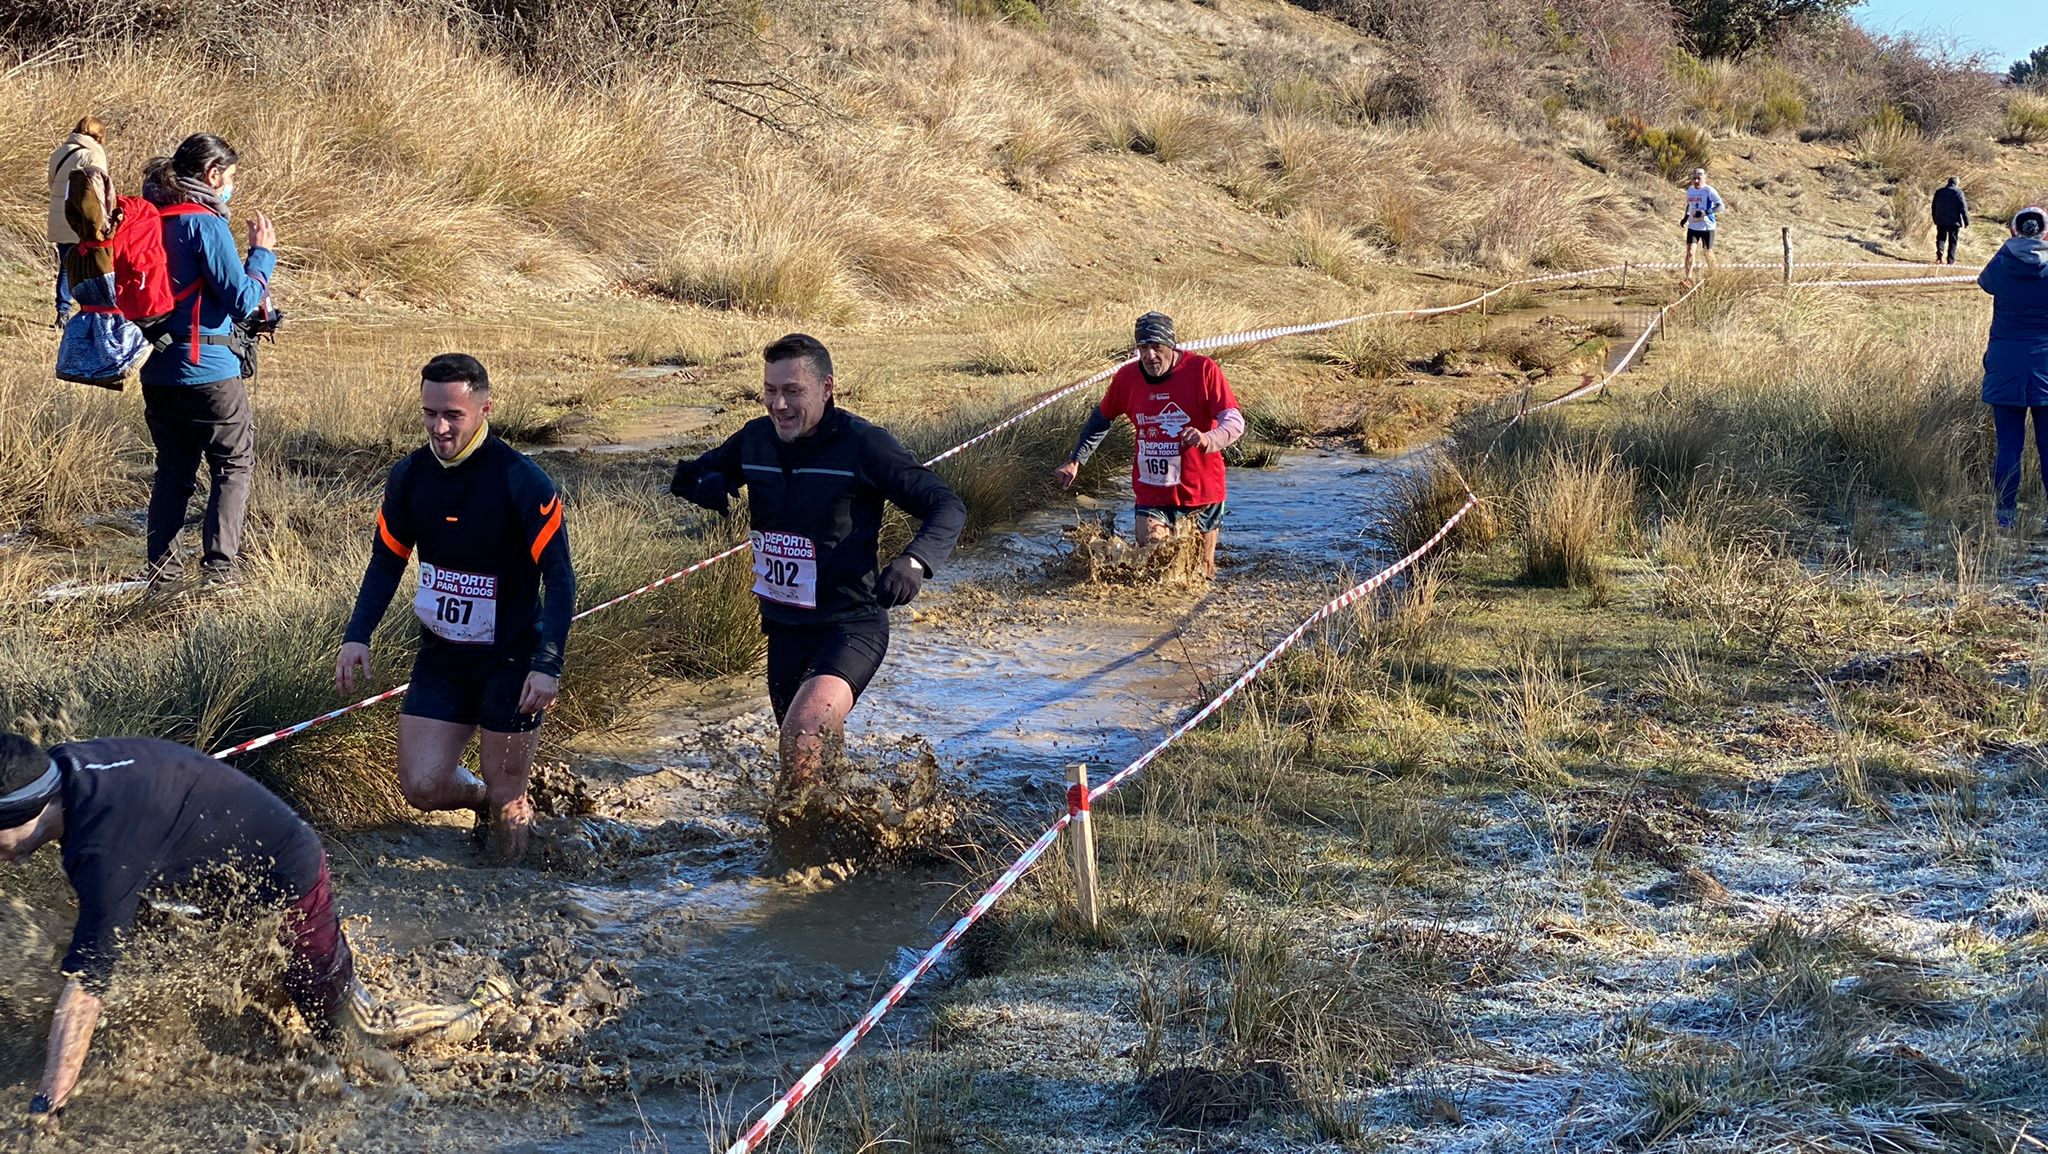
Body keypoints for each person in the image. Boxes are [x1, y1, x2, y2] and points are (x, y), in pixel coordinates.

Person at [0, 732, 360, 1118]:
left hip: (288, 873)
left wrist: (46, 1106)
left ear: (27, 809)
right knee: (141, 944)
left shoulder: (104, 854)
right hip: (212, 863)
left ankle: (382, 1044)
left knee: (344, 1039)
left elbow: (85, 993)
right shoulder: (59, 766)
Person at [670, 334, 966, 797]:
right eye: (770, 390)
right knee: (809, 760)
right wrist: (702, 483)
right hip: (783, 628)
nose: (779, 405)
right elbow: (693, 473)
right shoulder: (755, 440)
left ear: (827, 388)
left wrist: (915, 560)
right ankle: (846, 832)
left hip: (852, 625)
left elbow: (946, 505)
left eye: (793, 391)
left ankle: (793, 860)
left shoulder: (863, 445)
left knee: (804, 730)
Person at [336, 355, 574, 862]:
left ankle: (512, 896)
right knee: (422, 786)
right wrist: (358, 633)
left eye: (453, 415)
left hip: (512, 659)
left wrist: (547, 664)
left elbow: (560, 579)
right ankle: (489, 801)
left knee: (509, 796)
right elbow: (386, 561)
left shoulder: (521, 480)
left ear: (484, 409)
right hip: (443, 656)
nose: (439, 427)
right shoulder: (409, 477)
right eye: (429, 414)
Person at [137, 133, 277, 588]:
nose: (231, 187)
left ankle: (162, 573)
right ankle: (220, 570)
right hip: (210, 370)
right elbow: (241, 299)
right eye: (230, 178)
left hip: (156, 368)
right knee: (232, 464)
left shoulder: (148, 221)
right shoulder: (206, 223)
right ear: (212, 175)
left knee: (173, 469)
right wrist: (262, 257)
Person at [1054, 311, 1244, 580]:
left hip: (1202, 491)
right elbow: (1101, 419)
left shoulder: (1203, 370)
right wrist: (1076, 459)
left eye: (1157, 347)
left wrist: (1208, 439)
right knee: (1153, 563)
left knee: (1201, 573)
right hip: (1152, 489)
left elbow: (1235, 422)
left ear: (1171, 345)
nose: (1150, 356)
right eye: (1143, 348)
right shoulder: (1127, 378)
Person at [1977, 207, 2048, 530]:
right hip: (2045, 366)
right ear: (2045, 233)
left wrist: (2011, 244)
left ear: (2014, 230)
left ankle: (2005, 516)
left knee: (2008, 445)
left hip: (2005, 363)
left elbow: (1985, 281)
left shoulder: (2003, 264)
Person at [46, 117, 108, 329]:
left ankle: (62, 311)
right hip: (84, 218)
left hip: (60, 214)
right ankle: (88, 312)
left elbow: (52, 184)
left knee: (66, 265)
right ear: (98, 135)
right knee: (90, 266)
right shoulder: (94, 154)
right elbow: (99, 190)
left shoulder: (59, 153)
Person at [1681, 167, 1723, 284]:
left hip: (1707, 226)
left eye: (1699, 178)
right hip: (1693, 226)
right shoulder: (1690, 190)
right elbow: (1690, 205)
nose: (1696, 181)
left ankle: (1714, 276)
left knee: (1707, 252)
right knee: (1689, 252)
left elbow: (1720, 207)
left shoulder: (1709, 191)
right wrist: (1685, 217)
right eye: (1694, 178)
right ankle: (1688, 279)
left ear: (1704, 178)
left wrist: (1705, 212)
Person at [1932, 177, 1970, 266]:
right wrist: (1966, 220)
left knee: (1941, 238)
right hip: (1954, 221)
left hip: (1941, 220)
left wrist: (1935, 218)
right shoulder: (1958, 192)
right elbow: (1963, 207)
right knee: (1953, 241)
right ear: (1957, 183)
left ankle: (1939, 255)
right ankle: (1950, 260)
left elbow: (1933, 206)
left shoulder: (1939, 192)